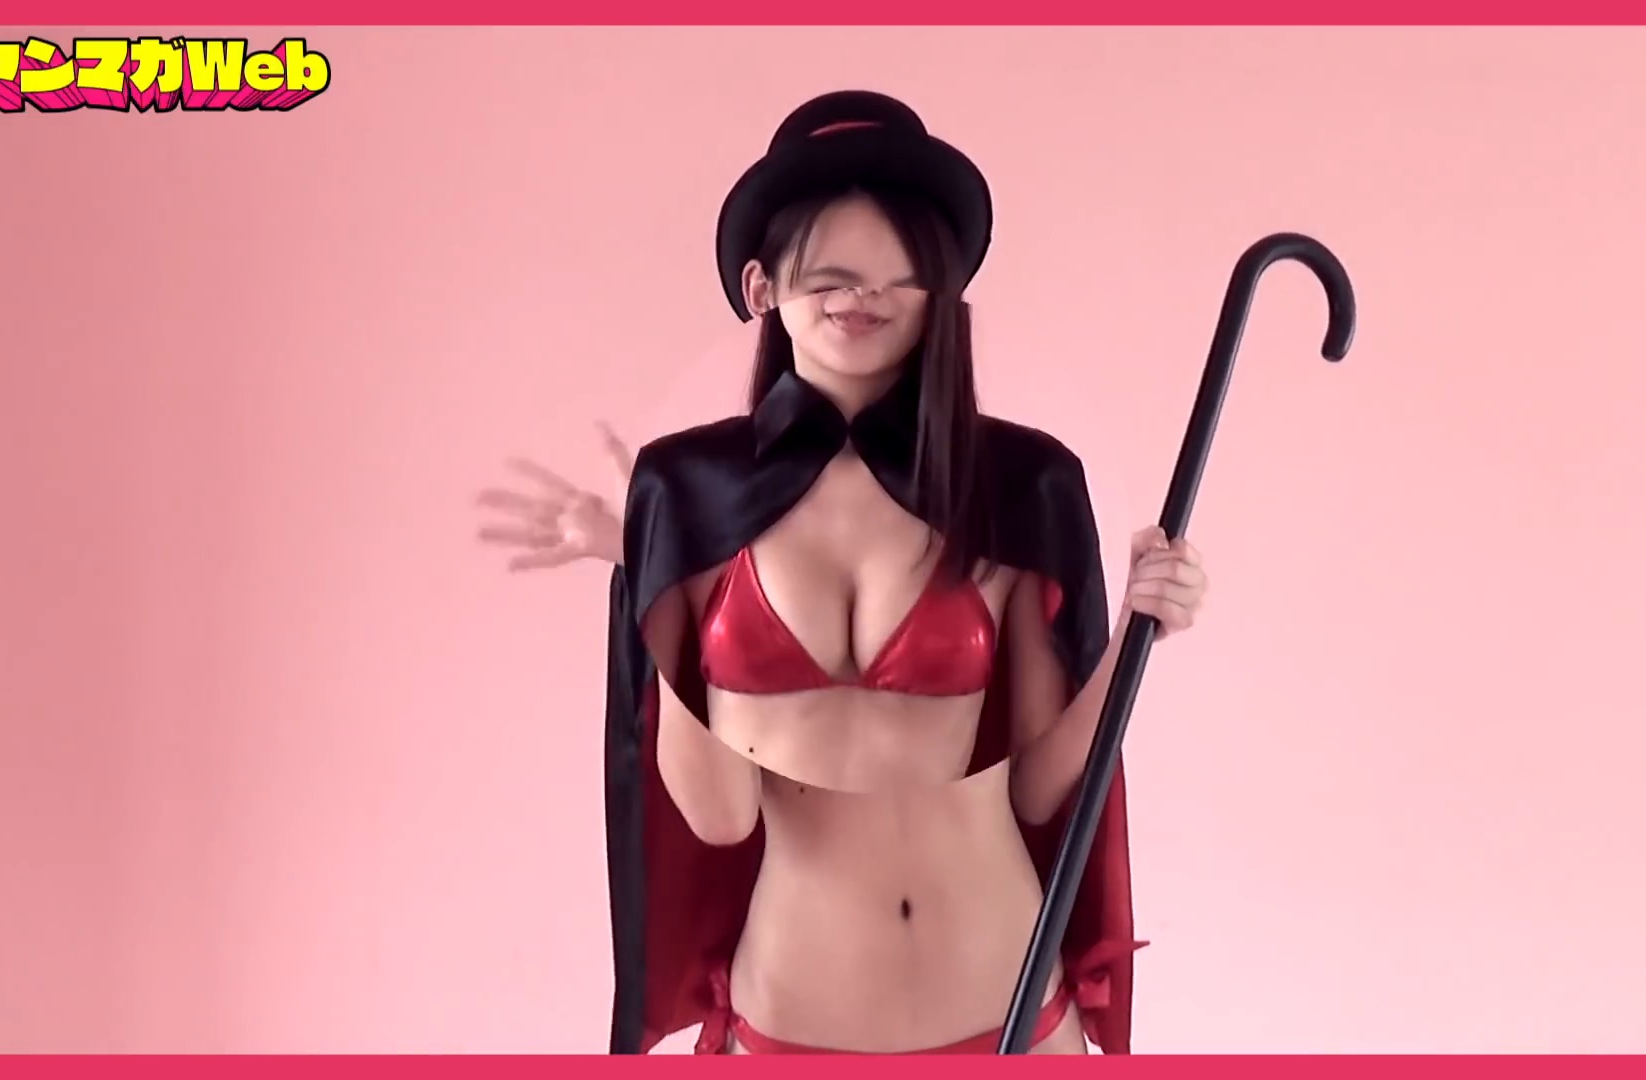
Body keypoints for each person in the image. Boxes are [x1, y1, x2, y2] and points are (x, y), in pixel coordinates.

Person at [477, 91, 1208, 1055]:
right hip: (789, 1017)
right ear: (760, 287)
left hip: (1010, 1011)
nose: (860, 300)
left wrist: (1133, 635)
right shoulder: (693, 493)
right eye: (829, 275)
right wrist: (654, 563)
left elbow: (1039, 790)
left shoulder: (1018, 484)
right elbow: (719, 814)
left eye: (896, 277)